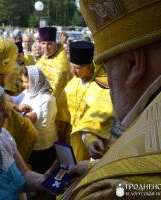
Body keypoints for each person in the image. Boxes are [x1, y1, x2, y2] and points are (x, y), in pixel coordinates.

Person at [60, 0, 161, 199]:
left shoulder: (111, 188)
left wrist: (96, 177)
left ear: (134, 64)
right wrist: (93, 167)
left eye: (106, 68)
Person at [0, 36, 38, 161]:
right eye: (9, 76)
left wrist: (16, 106)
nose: (10, 79)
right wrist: (27, 120)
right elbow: (27, 132)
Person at [56, 40, 114, 162]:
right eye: (71, 67)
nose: (73, 72)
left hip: (90, 139)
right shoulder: (74, 81)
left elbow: (103, 114)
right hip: (69, 136)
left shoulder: (102, 85)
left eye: (77, 68)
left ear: (89, 67)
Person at [11, 65, 58, 173]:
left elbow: (43, 126)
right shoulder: (27, 93)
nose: (24, 85)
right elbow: (14, 101)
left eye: (27, 82)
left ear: (36, 81)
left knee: (43, 174)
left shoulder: (47, 100)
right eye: (23, 81)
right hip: (31, 145)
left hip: (44, 147)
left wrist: (24, 117)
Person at [37, 27, 72, 99]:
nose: (46, 47)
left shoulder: (62, 63)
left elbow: (56, 87)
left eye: (49, 44)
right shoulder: (42, 59)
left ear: (55, 44)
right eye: (43, 43)